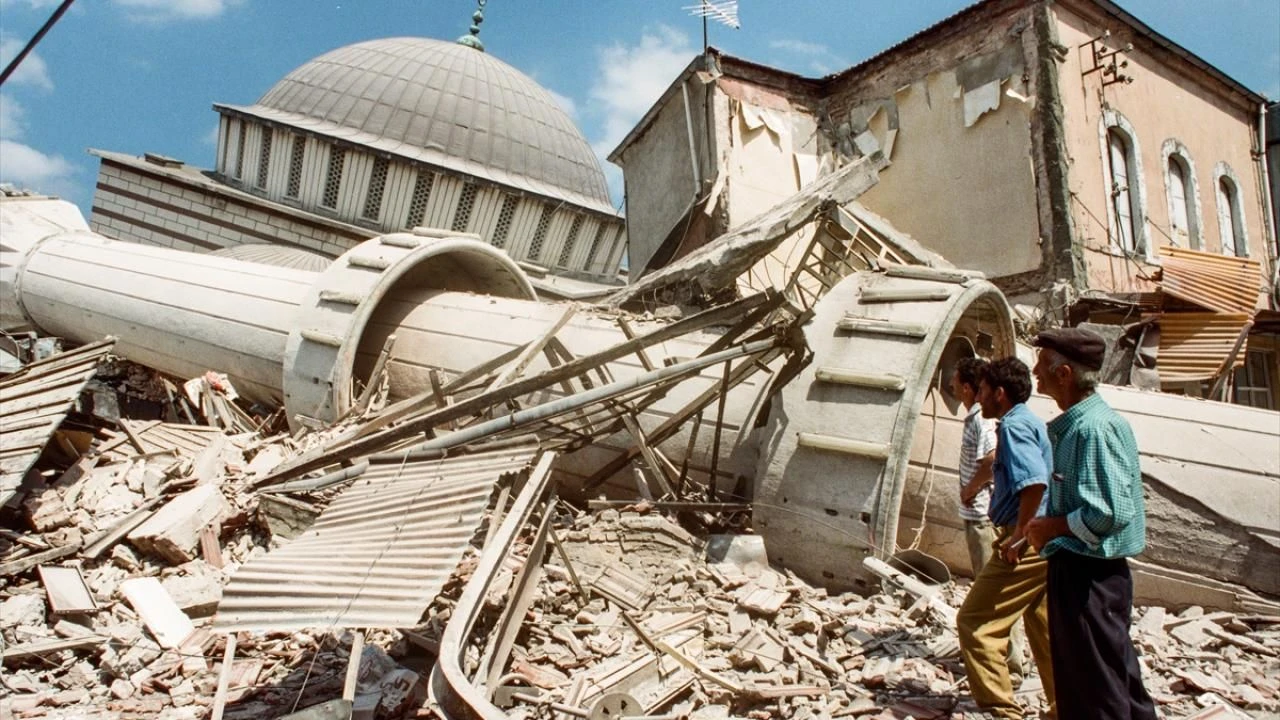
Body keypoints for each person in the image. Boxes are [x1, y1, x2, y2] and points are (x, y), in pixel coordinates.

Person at [1025, 328, 1157, 720]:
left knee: (1094, 690)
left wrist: (1051, 527)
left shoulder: (1092, 429)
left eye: (1042, 365)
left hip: (1089, 577)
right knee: (1113, 677)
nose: (1035, 372)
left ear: (1064, 373)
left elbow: (1111, 513)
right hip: (1090, 575)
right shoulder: (1083, 425)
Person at [956, 358, 1056, 720]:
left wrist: (1018, 536)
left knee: (975, 623)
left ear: (1000, 393)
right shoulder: (1029, 421)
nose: (977, 398)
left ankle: (1003, 713)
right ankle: (1065, 707)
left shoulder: (1013, 426)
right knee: (1042, 627)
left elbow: (1034, 482)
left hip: (1025, 540)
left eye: (982, 390)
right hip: (1041, 541)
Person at [950, 357, 1027, 683]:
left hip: (982, 516)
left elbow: (993, 456)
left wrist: (971, 488)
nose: (952, 388)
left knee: (994, 596)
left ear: (967, 387)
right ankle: (996, 658)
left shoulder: (982, 420)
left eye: (956, 383)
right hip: (976, 514)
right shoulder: (973, 417)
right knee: (990, 593)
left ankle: (1010, 668)